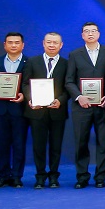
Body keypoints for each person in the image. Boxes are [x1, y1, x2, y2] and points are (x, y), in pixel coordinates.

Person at [64, 22, 105, 189]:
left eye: (93, 31)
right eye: (87, 31)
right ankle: (82, 177)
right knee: (81, 142)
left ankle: (101, 177)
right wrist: (79, 96)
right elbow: (69, 81)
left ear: (99, 34)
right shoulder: (74, 54)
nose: (90, 34)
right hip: (82, 106)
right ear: (82, 35)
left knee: (103, 142)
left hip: (102, 105)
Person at [22, 32, 68, 189]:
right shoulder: (32, 61)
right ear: (43, 43)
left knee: (56, 146)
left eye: (55, 42)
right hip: (36, 111)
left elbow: (69, 86)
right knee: (38, 146)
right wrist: (31, 99)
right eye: (49, 42)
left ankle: (54, 176)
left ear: (61, 45)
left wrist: (60, 100)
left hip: (57, 111)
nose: (52, 45)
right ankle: (40, 176)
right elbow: (25, 84)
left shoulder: (66, 64)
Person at [0, 32, 28, 188]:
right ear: (4, 45)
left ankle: (17, 176)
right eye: (10, 42)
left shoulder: (29, 62)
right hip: (0, 110)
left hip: (20, 110)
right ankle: (3, 176)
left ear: (22, 45)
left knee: (19, 144)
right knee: (1, 144)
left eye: (17, 42)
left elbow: (31, 84)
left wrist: (25, 95)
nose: (13, 45)